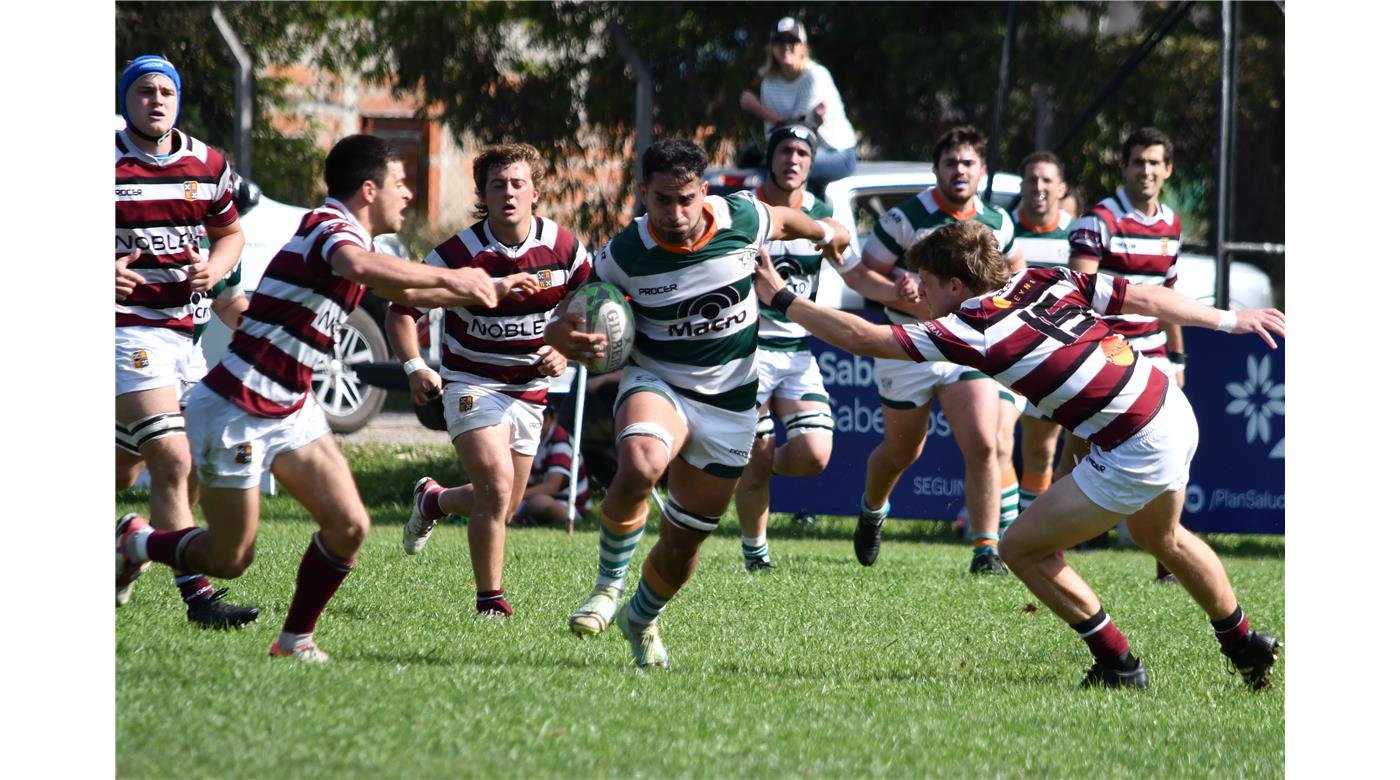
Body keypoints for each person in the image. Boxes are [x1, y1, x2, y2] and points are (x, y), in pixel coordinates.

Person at [752, 219, 1284, 690]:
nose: (922, 297)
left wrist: (782, 298)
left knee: (1021, 549)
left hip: (1135, 442)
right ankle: (1244, 644)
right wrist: (1231, 321)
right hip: (1169, 406)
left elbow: (864, 338)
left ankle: (1117, 662)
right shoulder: (1046, 279)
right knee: (1160, 537)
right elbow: (1144, 298)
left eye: (929, 286)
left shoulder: (968, 328)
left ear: (955, 285)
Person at [115, 134, 530, 662]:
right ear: (368, 189)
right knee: (230, 556)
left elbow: (411, 293)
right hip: (235, 407)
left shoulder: (357, 237)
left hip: (291, 407)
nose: (408, 196)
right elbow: (358, 268)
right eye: (401, 185)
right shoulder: (330, 228)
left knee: (350, 526)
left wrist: (489, 286)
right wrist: (459, 277)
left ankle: (294, 641)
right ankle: (136, 541)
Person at [546, 138, 851, 668]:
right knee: (640, 463)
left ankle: (640, 618)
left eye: (686, 198)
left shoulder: (740, 217)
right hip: (659, 381)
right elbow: (573, 313)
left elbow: (784, 219)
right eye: (662, 200)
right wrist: (564, 338)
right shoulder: (624, 255)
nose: (676, 213)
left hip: (732, 404)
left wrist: (829, 232)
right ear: (643, 194)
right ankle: (607, 586)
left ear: (704, 191)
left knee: (683, 546)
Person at [389, 143, 589, 617]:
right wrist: (415, 366)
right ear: (483, 194)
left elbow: (591, 303)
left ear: (535, 192)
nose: (509, 193)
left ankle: (433, 500)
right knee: (496, 489)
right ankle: (490, 601)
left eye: (518, 183)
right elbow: (402, 308)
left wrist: (564, 349)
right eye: (497, 185)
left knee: (502, 503)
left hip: (529, 391)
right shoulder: (458, 254)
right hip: (470, 384)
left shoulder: (563, 249)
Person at [114, 55, 259, 627]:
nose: (155, 100)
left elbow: (230, 233)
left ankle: (132, 547)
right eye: (144, 91)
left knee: (168, 465)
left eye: (165, 92)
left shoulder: (207, 163)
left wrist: (215, 269)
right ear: (126, 100)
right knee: (172, 458)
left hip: (183, 339)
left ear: (178, 99)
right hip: (122, 328)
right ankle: (200, 600)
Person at [839, 125, 1023, 574]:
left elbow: (1012, 278)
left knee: (984, 441)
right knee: (903, 452)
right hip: (909, 345)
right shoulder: (903, 218)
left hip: (966, 344)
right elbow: (863, 277)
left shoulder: (999, 223)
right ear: (936, 169)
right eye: (950, 163)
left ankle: (986, 550)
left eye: (967, 163)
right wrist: (898, 291)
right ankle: (873, 509)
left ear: (982, 170)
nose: (959, 171)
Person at [1067, 127, 1184, 579]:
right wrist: (1090, 354)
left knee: (1169, 447)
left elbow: (1170, 294)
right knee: (1079, 444)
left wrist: (1178, 359)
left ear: (1168, 170)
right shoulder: (1098, 220)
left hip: (1154, 354)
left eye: (1155, 162)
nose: (1147, 170)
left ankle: (1166, 555)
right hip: (1107, 352)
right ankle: (1050, 536)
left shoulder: (1171, 223)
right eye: (1139, 162)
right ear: (1124, 167)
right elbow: (1079, 295)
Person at [732, 124, 848, 572]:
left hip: (798, 350)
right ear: (771, 157)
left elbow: (843, 244)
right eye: (786, 151)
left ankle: (749, 472)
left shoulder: (820, 210)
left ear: (811, 163)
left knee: (815, 455)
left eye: (802, 153)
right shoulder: (744, 205)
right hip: (749, 347)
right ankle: (755, 553)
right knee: (758, 450)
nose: (793, 160)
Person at [1009, 152, 1075, 512]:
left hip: (1053, 356)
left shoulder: (1077, 234)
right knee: (997, 442)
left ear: (1061, 189)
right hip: (1002, 354)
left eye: (1047, 180)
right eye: (1032, 180)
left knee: (1040, 452)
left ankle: (1030, 532)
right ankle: (993, 532)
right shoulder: (1002, 229)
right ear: (1022, 186)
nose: (1039, 187)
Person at [738, 17, 857, 193]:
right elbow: (775, 136)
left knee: (786, 170)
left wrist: (757, 108)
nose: (786, 46)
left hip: (838, 153)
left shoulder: (815, 75)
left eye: (793, 40)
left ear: (803, 47)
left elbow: (799, 131)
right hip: (797, 152)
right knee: (773, 167)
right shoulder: (769, 83)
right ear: (772, 48)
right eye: (779, 41)